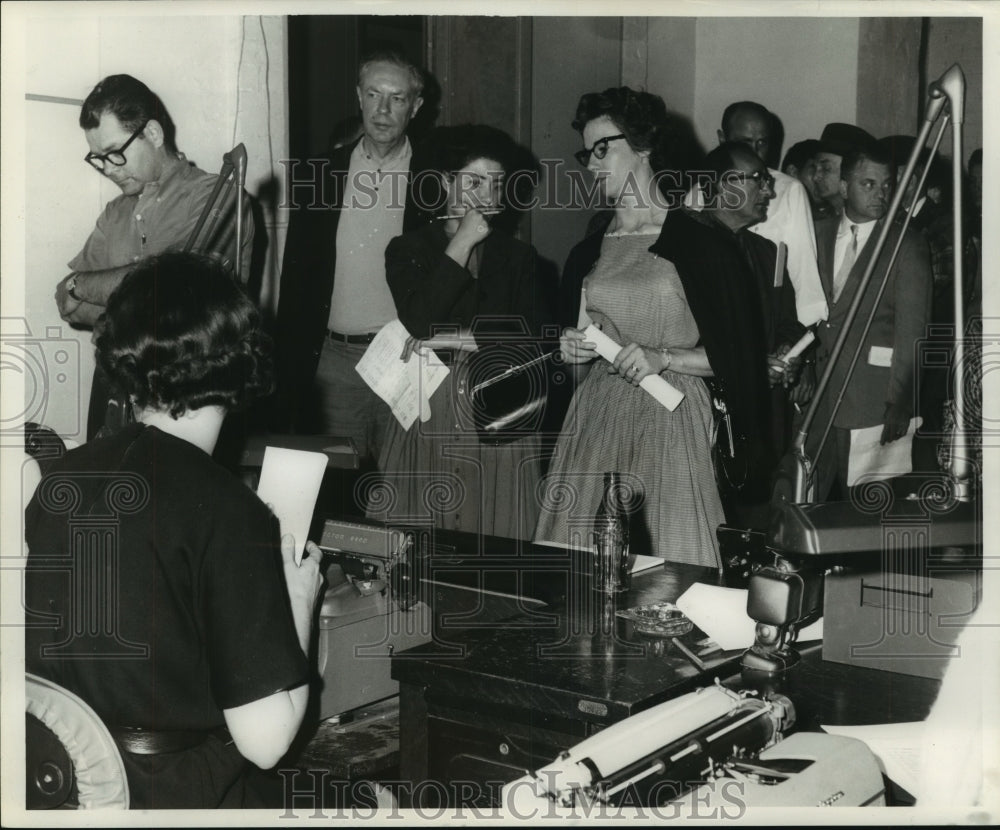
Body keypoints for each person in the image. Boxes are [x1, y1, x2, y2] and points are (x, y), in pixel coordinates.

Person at [25, 253, 323, 809]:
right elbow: (266, 743)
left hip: (53, 787)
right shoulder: (232, 510)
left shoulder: (57, 482)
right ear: (240, 362)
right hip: (175, 797)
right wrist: (298, 606)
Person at [534, 88, 725, 567]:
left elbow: (740, 357)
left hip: (671, 413)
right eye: (587, 151)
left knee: (667, 560)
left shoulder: (699, 241)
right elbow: (576, 351)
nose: (592, 163)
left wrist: (666, 357)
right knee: (583, 559)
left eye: (605, 148)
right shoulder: (590, 249)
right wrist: (572, 348)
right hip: (598, 413)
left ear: (643, 147)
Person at [366, 125, 552, 540]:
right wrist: (462, 243)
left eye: (496, 185)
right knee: (422, 529)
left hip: (498, 403)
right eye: (474, 182)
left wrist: (456, 338)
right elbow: (420, 322)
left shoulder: (518, 255)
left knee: (496, 528)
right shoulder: (408, 249)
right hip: (429, 404)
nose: (487, 197)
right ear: (445, 182)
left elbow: (536, 336)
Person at [55, 74, 253, 440]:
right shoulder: (114, 212)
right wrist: (124, 293)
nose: (109, 169)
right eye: (98, 159)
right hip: (115, 388)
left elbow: (175, 291)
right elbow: (66, 302)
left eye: (116, 152)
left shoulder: (216, 197)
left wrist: (87, 285)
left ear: (154, 135)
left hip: (187, 393)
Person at [275, 50, 425, 466]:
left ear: (416, 106)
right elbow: (296, 277)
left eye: (397, 98)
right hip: (334, 365)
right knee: (338, 490)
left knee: (404, 488)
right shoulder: (322, 173)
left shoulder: (436, 175)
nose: (383, 109)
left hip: (408, 360)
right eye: (374, 94)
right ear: (359, 97)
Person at [654, 143, 805, 527]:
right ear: (722, 186)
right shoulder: (683, 247)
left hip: (757, 422)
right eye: (759, 180)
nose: (769, 191)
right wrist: (754, 364)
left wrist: (786, 351)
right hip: (699, 416)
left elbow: (786, 321)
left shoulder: (768, 253)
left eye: (768, 181)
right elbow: (682, 332)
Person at [809, 146, 932, 499]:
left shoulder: (906, 243)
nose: (880, 193)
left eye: (887, 184)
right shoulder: (817, 233)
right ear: (845, 187)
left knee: (864, 512)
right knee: (807, 503)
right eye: (868, 183)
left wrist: (902, 401)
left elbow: (914, 329)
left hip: (872, 403)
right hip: (817, 401)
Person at [716, 102, 828, 329]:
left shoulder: (788, 191)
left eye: (762, 143)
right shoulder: (696, 193)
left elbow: (804, 276)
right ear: (722, 139)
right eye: (744, 142)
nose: (754, 152)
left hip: (769, 325)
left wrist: (793, 343)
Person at [810, 122, 877, 219]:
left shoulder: (875, 220)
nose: (815, 177)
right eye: (814, 168)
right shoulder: (817, 219)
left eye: (826, 168)